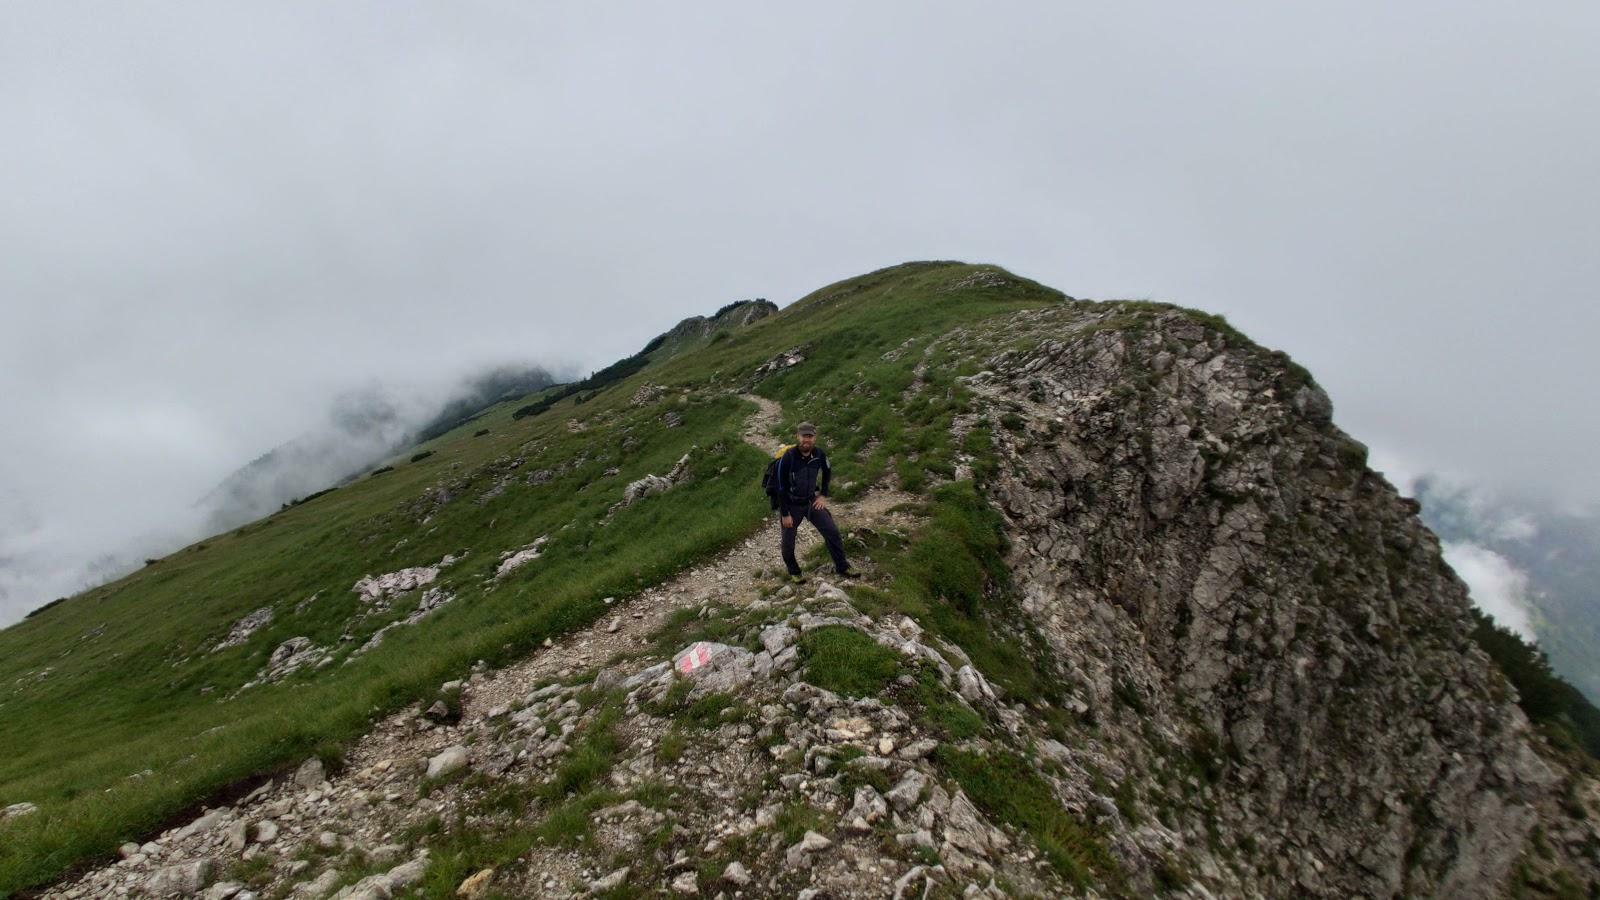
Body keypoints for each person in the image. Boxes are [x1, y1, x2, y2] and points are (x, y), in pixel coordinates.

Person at [772, 422, 857, 582]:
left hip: (811, 501)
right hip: (791, 504)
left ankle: (843, 567)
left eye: (810, 436)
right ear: (798, 437)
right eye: (804, 436)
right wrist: (785, 514)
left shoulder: (819, 454)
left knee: (832, 532)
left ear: (814, 438)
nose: (807, 440)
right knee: (788, 543)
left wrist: (823, 494)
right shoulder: (788, 457)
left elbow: (827, 471)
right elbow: (780, 487)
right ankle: (794, 572)